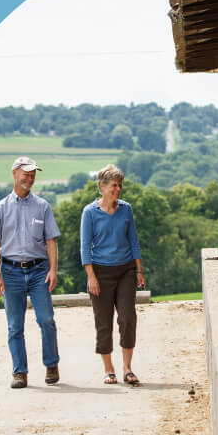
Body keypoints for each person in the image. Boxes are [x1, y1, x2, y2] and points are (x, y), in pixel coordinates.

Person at [0, 156, 61, 389]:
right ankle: (20, 372)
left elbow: (51, 241)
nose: (30, 177)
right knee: (14, 326)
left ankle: (51, 364)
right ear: (14, 174)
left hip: (39, 271)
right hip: (11, 272)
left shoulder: (43, 206)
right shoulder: (1, 208)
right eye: (26, 173)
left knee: (46, 319)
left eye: (33, 173)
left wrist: (53, 270)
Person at [80, 164, 145, 385]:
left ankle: (127, 368)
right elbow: (84, 247)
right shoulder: (90, 212)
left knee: (127, 317)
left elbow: (133, 241)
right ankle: (109, 369)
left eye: (120, 185)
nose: (118, 189)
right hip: (100, 272)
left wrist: (139, 270)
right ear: (102, 187)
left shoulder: (126, 209)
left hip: (126, 270)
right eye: (114, 185)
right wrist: (91, 276)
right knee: (103, 321)